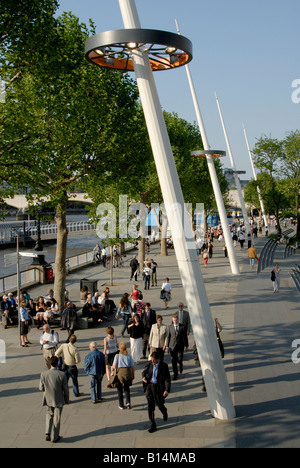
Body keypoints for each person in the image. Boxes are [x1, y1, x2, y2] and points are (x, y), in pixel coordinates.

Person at [39, 355, 70, 443]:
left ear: (50, 363)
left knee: (49, 415)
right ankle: (55, 436)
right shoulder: (61, 374)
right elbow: (66, 389)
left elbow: (41, 388)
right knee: (57, 418)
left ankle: (47, 432)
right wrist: (67, 399)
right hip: (59, 399)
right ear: (57, 364)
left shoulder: (43, 374)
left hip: (48, 398)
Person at [142, 351, 171, 433]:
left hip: (158, 388)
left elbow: (167, 379)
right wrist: (143, 377)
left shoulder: (164, 366)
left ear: (158, 359)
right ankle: (152, 424)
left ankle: (164, 411)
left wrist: (166, 390)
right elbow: (144, 372)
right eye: (152, 359)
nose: (152, 361)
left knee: (159, 404)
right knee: (150, 406)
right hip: (149, 386)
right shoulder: (149, 364)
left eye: (154, 360)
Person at [111, 342, 135, 410]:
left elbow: (114, 366)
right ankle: (128, 402)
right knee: (127, 388)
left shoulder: (117, 356)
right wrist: (133, 374)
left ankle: (121, 405)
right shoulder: (129, 356)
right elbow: (132, 367)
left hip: (120, 373)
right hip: (127, 373)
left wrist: (112, 371)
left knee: (119, 389)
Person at [166, 315, 189, 380]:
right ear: (172, 320)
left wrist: (186, 346)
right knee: (173, 360)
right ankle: (175, 374)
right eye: (174, 320)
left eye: (176, 320)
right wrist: (167, 347)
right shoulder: (170, 327)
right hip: (172, 346)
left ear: (178, 320)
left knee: (179, 358)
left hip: (180, 345)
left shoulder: (182, 326)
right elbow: (168, 337)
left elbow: (185, 337)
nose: (175, 321)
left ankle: (180, 365)